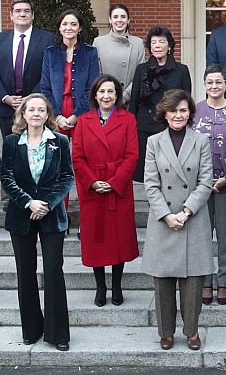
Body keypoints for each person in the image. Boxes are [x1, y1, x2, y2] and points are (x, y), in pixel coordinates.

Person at [141, 89, 215, 351]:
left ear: (190, 113)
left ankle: (192, 331)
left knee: (194, 281)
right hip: (163, 220)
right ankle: (166, 332)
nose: (178, 115)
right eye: (173, 110)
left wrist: (185, 212)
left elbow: (206, 181)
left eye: (183, 110)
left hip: (192, 218)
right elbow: (150, 184)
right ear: (165, 113)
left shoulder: (201, 141)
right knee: (162, 282)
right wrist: (167, 215)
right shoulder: (153, 142)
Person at [0, 94, 75, 351]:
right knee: (26, 271)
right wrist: (28, 203)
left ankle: (58, 334)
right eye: (31, 109)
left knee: (53, 270)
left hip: (51, 215)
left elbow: (67, 177)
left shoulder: (60, 141)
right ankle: (31, 329)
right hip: (21, 215)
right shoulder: (11, 142)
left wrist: (45, 203)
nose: (36, 114)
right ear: (23, 114)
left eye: (41, 110)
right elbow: (6, 178)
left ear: (47, 115)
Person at [72, 74, 139, 307]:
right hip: (92, 189)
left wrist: (115, 181)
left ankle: (117, 286)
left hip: (117, 189)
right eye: (102, 92)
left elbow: (132, 156)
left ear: (117, 95)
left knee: (118, 239)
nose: (106, 96)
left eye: (111, 91)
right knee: (96, 240)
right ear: (95, 95)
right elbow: (77, 157)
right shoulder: (83, 120)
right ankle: (100, 287)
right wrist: (92, 181)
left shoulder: (128, 119)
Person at [192, 64, 226, 306]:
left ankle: (223, 281)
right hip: (198, 186)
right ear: (204, 85)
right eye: (210, 82)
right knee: (202, 234)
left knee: (225, 235)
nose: (214, 86)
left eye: (218, 82)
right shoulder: (193, 112)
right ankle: (205, 280)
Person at [129, 27, 192, 182]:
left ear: (169, 46)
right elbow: (134, 100)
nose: (157, 45)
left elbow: (187, 102)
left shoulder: (182, 70)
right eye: (153, 42)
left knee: (170, 174)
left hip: (170, 126)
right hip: (145, 127)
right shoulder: (142, 69)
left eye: (161, 42)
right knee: (149, 175)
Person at [0, 0, 51, 136]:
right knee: (11, 152)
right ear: (11, 15)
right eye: (18, 11)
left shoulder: (47, 39)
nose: (22, 14)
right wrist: (5, 97)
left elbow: (48, 73)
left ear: (33, 15)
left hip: (36, 108)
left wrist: (31, 98)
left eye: (26, 11)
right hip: (7, 109)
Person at [40, 9, 101, 138]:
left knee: (81, 153)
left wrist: (76, 114)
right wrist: (56, 116)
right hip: (56, 111)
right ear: (59, 28)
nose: (69, 28)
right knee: (58, 153)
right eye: (65, 24)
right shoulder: (50, 53)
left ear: (80, 28)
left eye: (73, 24)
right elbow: (45, 87)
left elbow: (93, 87)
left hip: (83, 110)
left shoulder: (90, 53)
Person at [93, 3, 145, 103]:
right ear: (110, 20)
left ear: (128, 20)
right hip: (106, 100)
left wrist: (125, 96)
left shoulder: (138, 43)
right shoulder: (98, 42)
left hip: (130, 100)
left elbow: (140, 74)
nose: (119, 20)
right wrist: (108, 95)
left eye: (123, 17)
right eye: (115, 17)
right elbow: (97, 73)